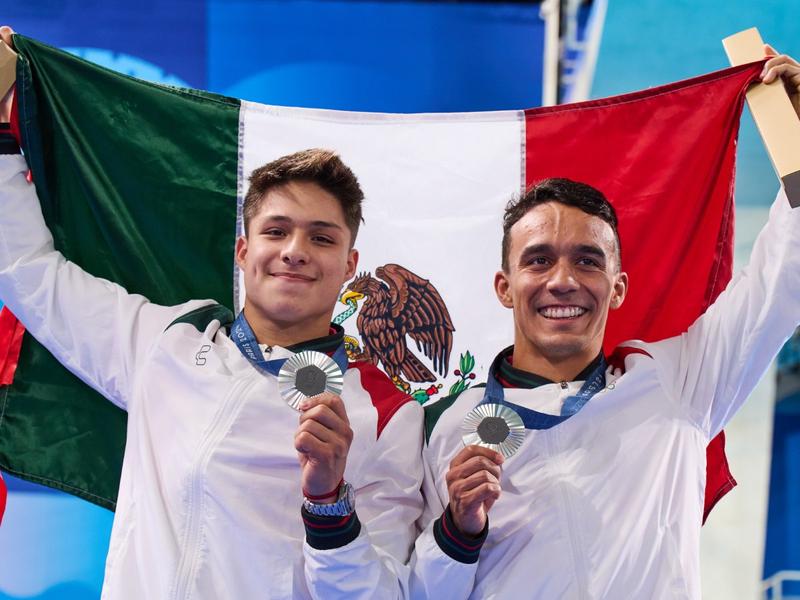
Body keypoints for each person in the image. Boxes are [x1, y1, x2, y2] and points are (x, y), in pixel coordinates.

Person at [0, 27, 422, 599]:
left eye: (321, 238)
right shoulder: (165, 341)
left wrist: (329, 504)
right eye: (276, 231)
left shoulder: (387, 412)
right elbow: (31, 274)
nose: (295, 250)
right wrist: (2, 134)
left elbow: (385, 593)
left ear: (349, 265)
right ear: (243, 252)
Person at [410, 48, 800, 599]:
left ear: (618, 288)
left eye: (588, 261)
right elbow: (421, 594)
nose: (563, 280)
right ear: (505, 287)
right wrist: (458, 530)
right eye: (539, 259)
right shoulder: (447, 427)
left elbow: (781, 286)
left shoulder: (678, 382)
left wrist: (796, 139)